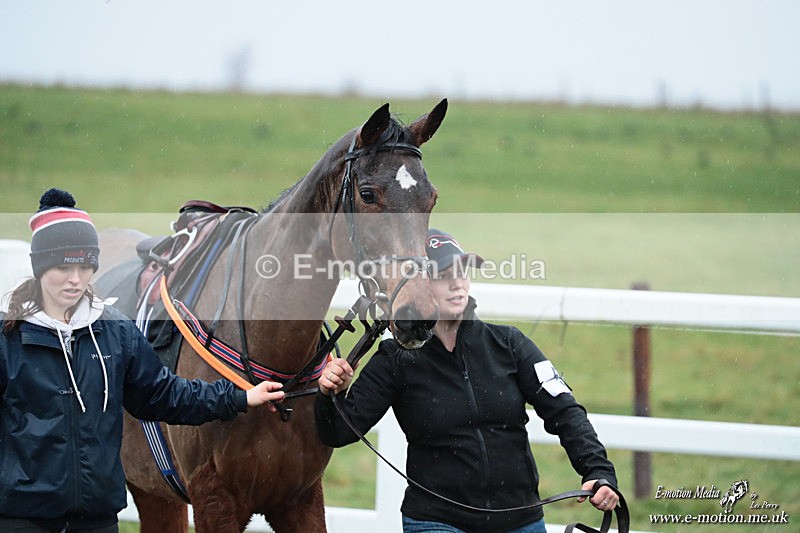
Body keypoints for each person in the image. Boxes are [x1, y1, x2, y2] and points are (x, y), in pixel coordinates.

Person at [0, 189, 286, 533]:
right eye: (63, 267)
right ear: (41, 267)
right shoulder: (8, 342)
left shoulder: (116, 334)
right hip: (22, 522)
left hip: (96, 522)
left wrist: (240, 397)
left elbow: (166, 395)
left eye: (84, 266)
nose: (75, 280)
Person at [315, 228, 620, 533]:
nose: (457, 283)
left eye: (462, 271)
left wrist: (597, 470)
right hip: (436, 522)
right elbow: (338, 432)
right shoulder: (395, 358)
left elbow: (564, 411)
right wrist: (331, 394)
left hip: (520, 520)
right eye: (443, 274)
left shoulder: (509, 343)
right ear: (417, 285)